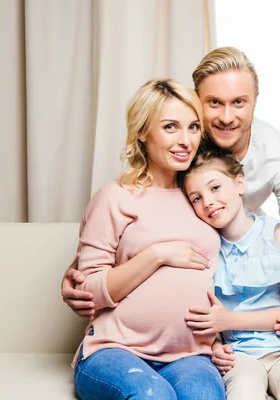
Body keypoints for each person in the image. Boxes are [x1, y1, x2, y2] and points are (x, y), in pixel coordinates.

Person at [62, 46, 280, 339]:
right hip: (196, 270)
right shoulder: (184, 139)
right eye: (214, 103)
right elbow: (133, 208)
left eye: (239, 102)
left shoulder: (279, 155)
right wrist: (81, 273)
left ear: (255, 102)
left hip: (242, 264)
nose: (227, 117)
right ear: (197, 102)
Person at [72, 79, 225, 400]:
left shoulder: (203, 197)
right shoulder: (114, 198)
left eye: (194, 127)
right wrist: (156, 255)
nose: (186, 140)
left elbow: (244, 250)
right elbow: (87, 292)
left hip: (190, 355)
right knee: (152, 395)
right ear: (142, 131)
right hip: (115, 351)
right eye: (171, 127)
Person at [180, 145, 280, 400]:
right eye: (196, 198)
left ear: (240, 183)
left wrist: (230, 321)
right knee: (244, 391)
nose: (208, 202)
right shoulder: (206, 251)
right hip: (240, 353)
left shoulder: (276, 235)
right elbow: (209, 317)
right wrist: (216, 346)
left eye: (215, 188)